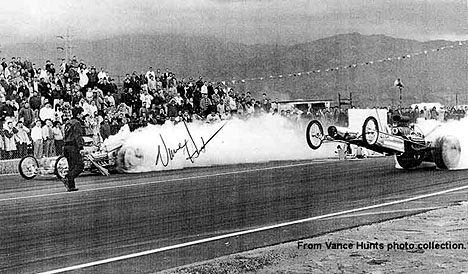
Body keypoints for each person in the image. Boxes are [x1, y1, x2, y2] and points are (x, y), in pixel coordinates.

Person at [62, 107, 85, 192]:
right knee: (80, 165)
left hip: (66, 146)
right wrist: (81, 147)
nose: (82, 115)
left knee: (71, 166)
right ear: (78, 114)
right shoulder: (77, 123)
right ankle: (68, 177)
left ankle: (71, 186)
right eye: (81, 114)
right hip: (73, 147)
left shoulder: (68, 122)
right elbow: (77, 136)